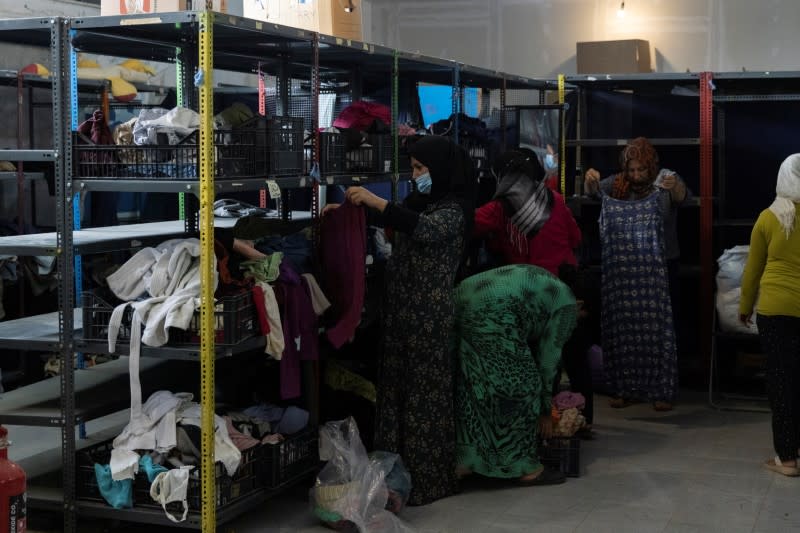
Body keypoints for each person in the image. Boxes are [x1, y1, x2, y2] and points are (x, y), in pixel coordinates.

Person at [322, 135, 476, 505]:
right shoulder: (417, 202)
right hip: (401, 312)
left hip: (429, 317)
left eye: (421, 168)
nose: (415, 174)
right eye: (413, 167)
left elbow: (423, 228)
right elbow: (399, 222)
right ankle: (390, 480)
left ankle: (426, 482)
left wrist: (376, 201)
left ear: (439, 170)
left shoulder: (454, 211)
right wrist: (346, 212)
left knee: (424, 399)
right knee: (393, 395)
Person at [473, 149, 594, 430]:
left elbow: (466, 224)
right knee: (576, 359)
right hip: (569, 291)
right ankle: (582, 422)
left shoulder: (500, 209)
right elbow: (575, 238)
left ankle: (546, 425)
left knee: (544, 362)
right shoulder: (555, 200)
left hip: (534, 298)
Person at [584, 136, 688, 411]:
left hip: (660, 266)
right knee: (623, 329)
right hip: (624, 271)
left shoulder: (665, 179)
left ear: (651, 165)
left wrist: (674, 186)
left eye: (641, 169)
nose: (637, 175)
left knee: (660, 330)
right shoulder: (617, 184)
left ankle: (660, 391)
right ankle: (624, 388)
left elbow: (682, 196)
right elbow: (594, 192)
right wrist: (591, 180)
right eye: (632, 169)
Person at [453, 264, 577, 485]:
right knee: (524, 386)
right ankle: (524, 468)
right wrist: (545, 410)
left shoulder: (550, 286)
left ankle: (466, 462)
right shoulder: (567, 305)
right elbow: (548, 364)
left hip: (462, 295)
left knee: (475, 384)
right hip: (495, 308)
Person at [739, 153, 800, 477]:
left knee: (781, 382)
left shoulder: (768, 217)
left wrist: (745, 307)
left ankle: (787, 459)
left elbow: (752, 270)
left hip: (775, 311)